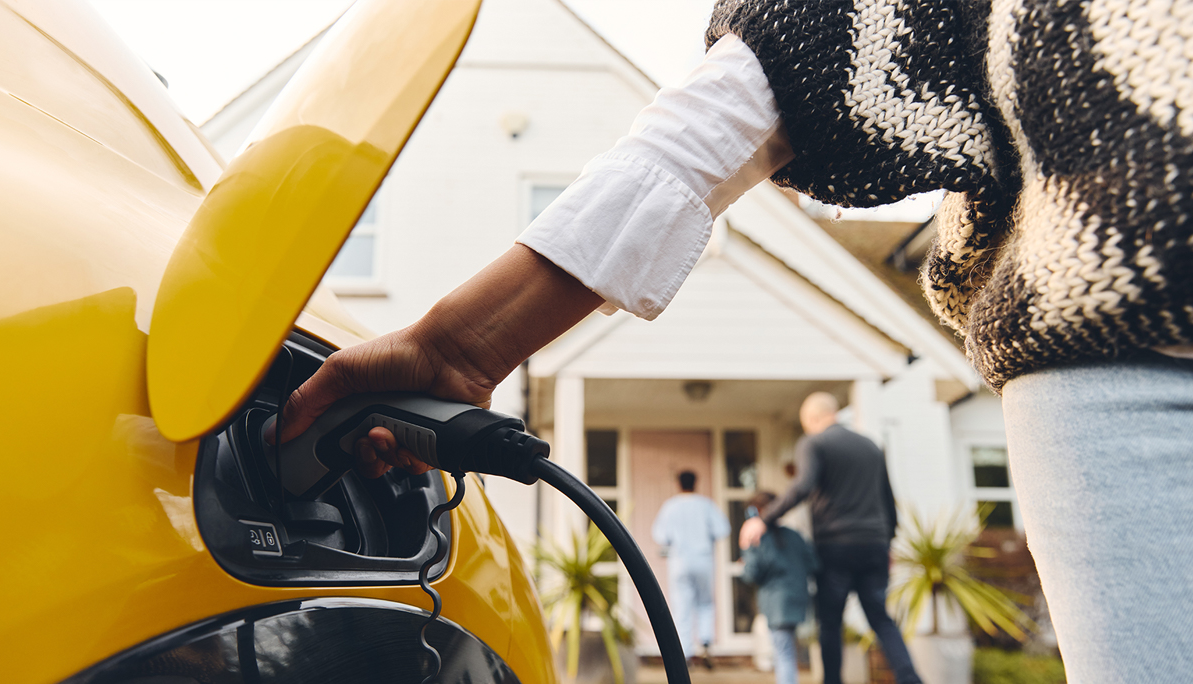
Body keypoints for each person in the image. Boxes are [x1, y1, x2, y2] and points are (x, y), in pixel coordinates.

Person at [276, 1, 1193, 680]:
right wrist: (470, 343)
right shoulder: (857, 444)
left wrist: (767, 515)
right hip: (1137, 331)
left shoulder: (822, 448)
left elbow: (798, 486)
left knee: (831, 616)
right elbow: (805, 51)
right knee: (856, 613)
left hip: (1078, 376)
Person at [740, 393, 918, 684]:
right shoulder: (871, 445)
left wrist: (764, 518)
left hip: (836, 546)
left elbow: (803, 486)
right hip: (875, 544)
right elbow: (888, 498)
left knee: (830, 623)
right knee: (881, 618)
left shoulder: (814, 442)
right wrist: (890, 543)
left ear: (811, 419)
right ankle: (910, 679)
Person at [651, 471, 731, 667]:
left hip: (679, 562)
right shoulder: (706, 505)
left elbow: (660, 535)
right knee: (705, 603)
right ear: (696, 483)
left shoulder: (671, 506)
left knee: (682, 607)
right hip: (703, 560)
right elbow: (723, 529)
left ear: (678, 484)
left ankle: (685, 656)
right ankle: (705, 644)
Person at [740, 491, 817, 684]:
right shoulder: (794, 535)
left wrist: (746, 550)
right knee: (789, 650)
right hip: (798, 599)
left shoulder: (757, 539)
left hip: (776, 602)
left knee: (784, 654)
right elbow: (814, 564)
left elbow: (751, 574)